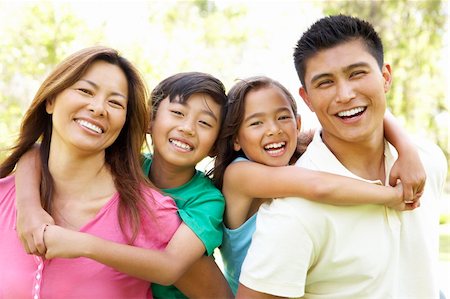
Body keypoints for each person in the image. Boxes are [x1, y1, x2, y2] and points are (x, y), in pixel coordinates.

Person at [236, 15, 447, 298]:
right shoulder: (293, 213)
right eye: (325, 83)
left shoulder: (427, 161)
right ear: (307, 98)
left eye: (357, 73)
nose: (345, 94)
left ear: (385, 77)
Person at [14, 72, 233, 298]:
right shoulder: (129, 166)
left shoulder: (207, 200)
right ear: (149, 120)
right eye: (177, 113)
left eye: (204, 123)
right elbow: (36, 152)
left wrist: (82, 245)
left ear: (216, 145)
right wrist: (28, 207)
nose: (188, 128)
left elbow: (168, 268)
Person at [212, 76, 426, 294]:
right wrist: (392, 196)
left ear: (297, 123)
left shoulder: (304, 154)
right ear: (236, 139)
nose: (274, 129)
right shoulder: (238, 175)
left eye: (283, 117)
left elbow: (376, 115)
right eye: (256, 123)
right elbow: (318, 186)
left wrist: (407, 150)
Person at [0, 46, 181, 299]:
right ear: (51, 100)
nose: (98, 108)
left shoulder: (150, 213)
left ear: (125, 122)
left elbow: (215, 293)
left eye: (115, 102)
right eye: (85, 90)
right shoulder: (6, 196)